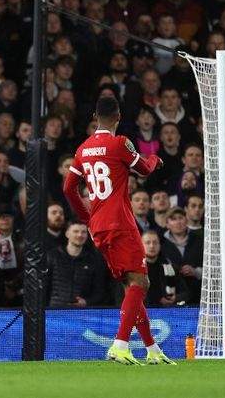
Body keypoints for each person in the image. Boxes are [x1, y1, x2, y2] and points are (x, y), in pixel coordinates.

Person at [63, 96, 174, 365]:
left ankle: (152, 350)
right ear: (118, 117)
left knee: (130, 285)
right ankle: (120, 345)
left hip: (99, 226)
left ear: (94, 116)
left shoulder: (83, 149)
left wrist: (87, 218)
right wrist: (156, 158)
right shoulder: (119, 143)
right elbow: (145, 169)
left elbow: (68, 189)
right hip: (120, 224)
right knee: (141, 283)